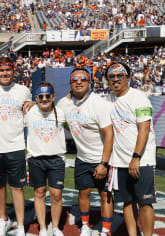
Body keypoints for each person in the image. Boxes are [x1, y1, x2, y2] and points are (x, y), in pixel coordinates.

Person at [57, 68, 114, 236]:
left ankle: (106, 230)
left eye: (83, 79)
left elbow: (109, 134)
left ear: (90, 82)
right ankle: (86, 226)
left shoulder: (98, 103)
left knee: (105, 195)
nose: (79, 82)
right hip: (82, 158)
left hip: (102, 158)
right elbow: (50, 112)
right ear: (70, 84)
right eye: (75, 80)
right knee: (83, 193)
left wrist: (104, 163)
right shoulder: (64, 104)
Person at [0, 57, 32, 236]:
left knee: (17, 187)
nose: (5, 73)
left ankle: (21, 225)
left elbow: (30, 109)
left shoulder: (23, 91)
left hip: (16, 146)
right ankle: (3, 220)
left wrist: (32, 103)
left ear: (13, 71)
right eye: (1, 70)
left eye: (8, 70)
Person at [106, 62, 156, 236]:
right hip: (119, 161)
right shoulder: (107, 99)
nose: (116, 79)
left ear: (128, 77)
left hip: (141, 159)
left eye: (120, 75)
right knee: (127, 202)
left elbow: (144, 129)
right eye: (111, 76)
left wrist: (136, 157)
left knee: (145, 202)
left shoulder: (139, 97)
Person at [25, 82, 66, 236]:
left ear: (53, 97)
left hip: (56, 159)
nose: (44, 99)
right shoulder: (29, 112)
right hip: (36, 159)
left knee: (56, 194)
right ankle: (42, 227)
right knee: (40, 192)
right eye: (40, 96)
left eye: (47, 96)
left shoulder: (61, 112)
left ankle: (55, 227)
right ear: (35, 98)